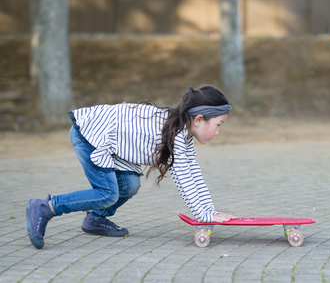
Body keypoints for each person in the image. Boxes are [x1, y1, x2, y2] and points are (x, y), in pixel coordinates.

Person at [26, 85, 236, 249]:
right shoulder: (176, 135)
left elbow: (193, 175)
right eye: (218, 124)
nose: (218, 131)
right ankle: (46, 207)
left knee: (130, 185)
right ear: (199, 119)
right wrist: (204, 215)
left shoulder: (182, 133)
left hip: (112, 143)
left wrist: (208, 211)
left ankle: (95, 219)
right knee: (107, 193)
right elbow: (183, 180)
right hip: (90, 136)